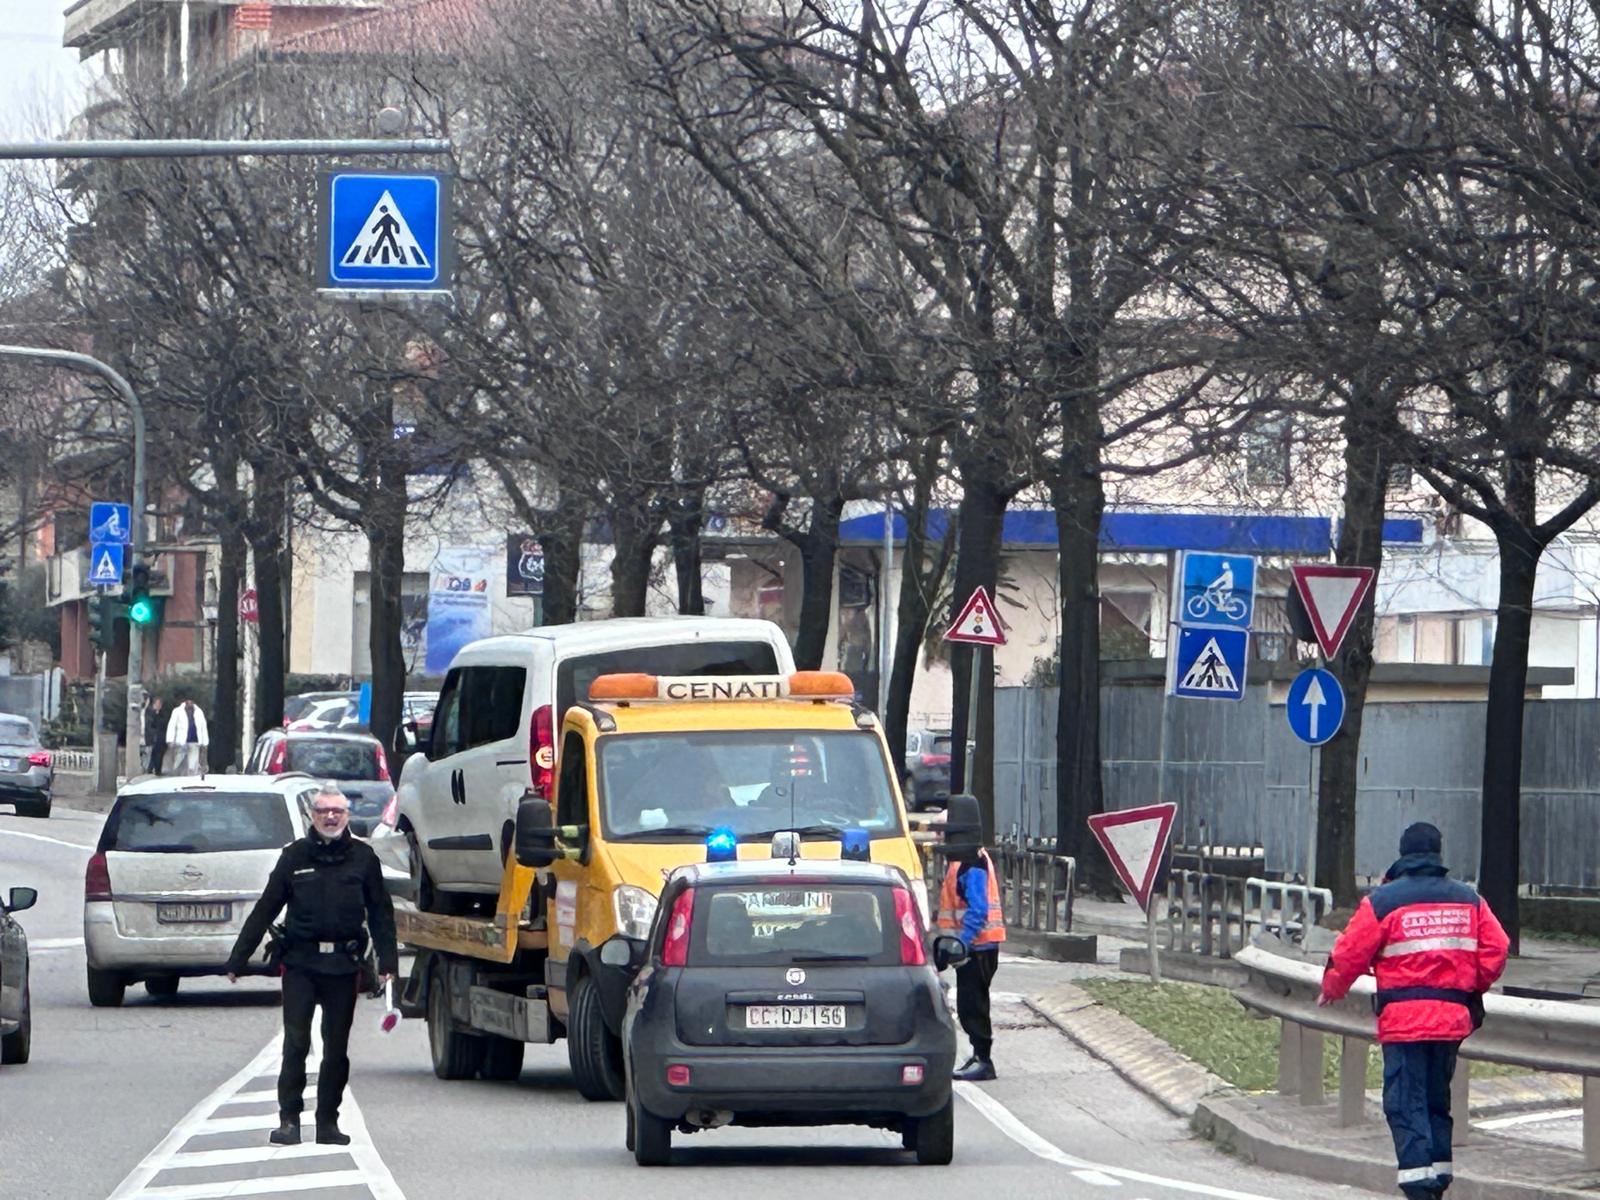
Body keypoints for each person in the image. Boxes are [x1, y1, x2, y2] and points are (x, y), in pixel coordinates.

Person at [1319, 823, 1509, 1199]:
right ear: (1438, 854)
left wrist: (1331, 989)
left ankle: (1420, 1189)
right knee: (1437, 1102)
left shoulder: (1384, 901)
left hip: (1404, 1023)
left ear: (1403, 854)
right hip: (1451, 1020)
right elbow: (1497, 947)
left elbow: (1348, 954)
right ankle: (1438, 1180)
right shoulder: (1469, 900)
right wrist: (1469, 987)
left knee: (1406, 1106)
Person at [226, 783, 398, 1147]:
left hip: (343, 965)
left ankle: (328, 1123)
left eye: (337, 811)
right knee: (296, 1042)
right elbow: (266, 907)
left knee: (335, 1048)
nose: (331, 817)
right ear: (313, 816)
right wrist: (238, 958)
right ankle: (289, 1120)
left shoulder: (363, 859)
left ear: (347, 816)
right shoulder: (294, 856)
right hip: (301, 962)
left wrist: (388, 961)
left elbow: (381, 912)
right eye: (323, 812)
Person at [936, 796, 1006, 1082]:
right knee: (969, 1004)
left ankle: (984, 1060)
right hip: (972, 946)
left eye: (944, 832)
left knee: (973, 1005)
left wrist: (962, 941)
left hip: (978, 947)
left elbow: (977, 909)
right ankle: (978, 1056)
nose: (941, 838)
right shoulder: (962, 861)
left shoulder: (971, 863)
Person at [165, 696, 208, 776]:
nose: (190, 702)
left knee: (193, 765)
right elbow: (172, 725)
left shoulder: (199, 711)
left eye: (191, 700)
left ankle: (191, 780)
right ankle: (177, 778)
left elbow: (203, 727)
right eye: (188, 700)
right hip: (181, 742)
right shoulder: (177, 711)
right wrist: (170, 740)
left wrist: (205, 742)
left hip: (195, 741)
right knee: (178, 763)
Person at [144, 695, 167, 776]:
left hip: (160, 738)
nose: (159, 706)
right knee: (151, 755)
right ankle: (149, 769)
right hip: (152, 738)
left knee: (158, 754)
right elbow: (149, 726)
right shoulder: (150, 712)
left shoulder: (161, 714)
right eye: (158, 704)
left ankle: (157, 770)